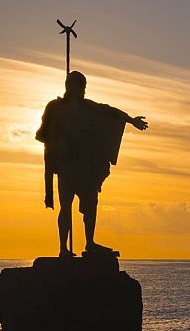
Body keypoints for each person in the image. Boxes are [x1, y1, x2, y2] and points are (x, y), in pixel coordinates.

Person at [36, 71, 148, 258]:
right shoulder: (55, 107)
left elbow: (110, 111)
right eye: (80, 86)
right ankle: (63, 248)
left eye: (84, 86)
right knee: (66, 207)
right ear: (69, 86)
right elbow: (43, 134)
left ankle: (90, 242)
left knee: (91, 204)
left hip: (85, 167)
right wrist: (59, 142)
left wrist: (131, 120)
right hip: (66, 166)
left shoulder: (89, 107)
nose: (83, 90)